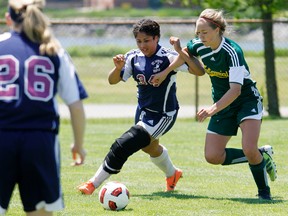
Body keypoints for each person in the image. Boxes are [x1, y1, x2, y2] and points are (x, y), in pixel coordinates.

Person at [151, 9, 277, 200]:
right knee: (213, 156)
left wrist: (211, 109)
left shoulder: (233, 51)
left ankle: (264, 193)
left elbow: (235, 90)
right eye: (197, 33)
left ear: (217, 29)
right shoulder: (199, 45)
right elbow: (185, 54)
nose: (200, 37)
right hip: (222, 103)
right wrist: (166, 70)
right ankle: (261, 156)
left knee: (249, 148)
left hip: (245, 100)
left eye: (204, 32)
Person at [77, 18, 204, 195]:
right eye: (139, 41)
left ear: (157, 38)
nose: (142, 45)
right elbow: (112, 81)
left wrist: (179, 52)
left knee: (124, 144)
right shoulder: (132, 57)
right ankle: (173, 174)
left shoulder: (167, 56)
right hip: (142, 112)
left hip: (163, 114)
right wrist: (118, 68)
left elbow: (200, 71)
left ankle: (93, 183)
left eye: (147, 41)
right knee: (149, 147)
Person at [0, 0, 88, 215]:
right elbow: (75, 106)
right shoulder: (54, 49)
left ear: (8, 18)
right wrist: (78, 144)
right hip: (40, 141)